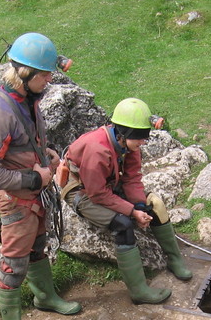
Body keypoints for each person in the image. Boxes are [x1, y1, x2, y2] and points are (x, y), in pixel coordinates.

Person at [0, 32, 81, 320]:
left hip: (33, 195)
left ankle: (45, 297)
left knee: (37, 247)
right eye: (46, 74)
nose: (50, 80)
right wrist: (34, 179)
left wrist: (44, 153)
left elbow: (22, 144)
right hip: (16, 199)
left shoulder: (28, 101)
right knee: (15, 261)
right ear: (25, 74)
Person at [61, 97, 191, 304]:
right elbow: (98, 193)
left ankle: (174, 259)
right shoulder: (97, 150)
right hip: (82, 191)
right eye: (139, 139)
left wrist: (140, 206)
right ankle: (139, 291)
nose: (143, 143)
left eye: (144, 138)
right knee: (122, 224)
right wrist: (131, 212)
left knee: (155, 204)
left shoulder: (128, 145)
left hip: (109, 183)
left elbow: (131, 177)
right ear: (122, 134)